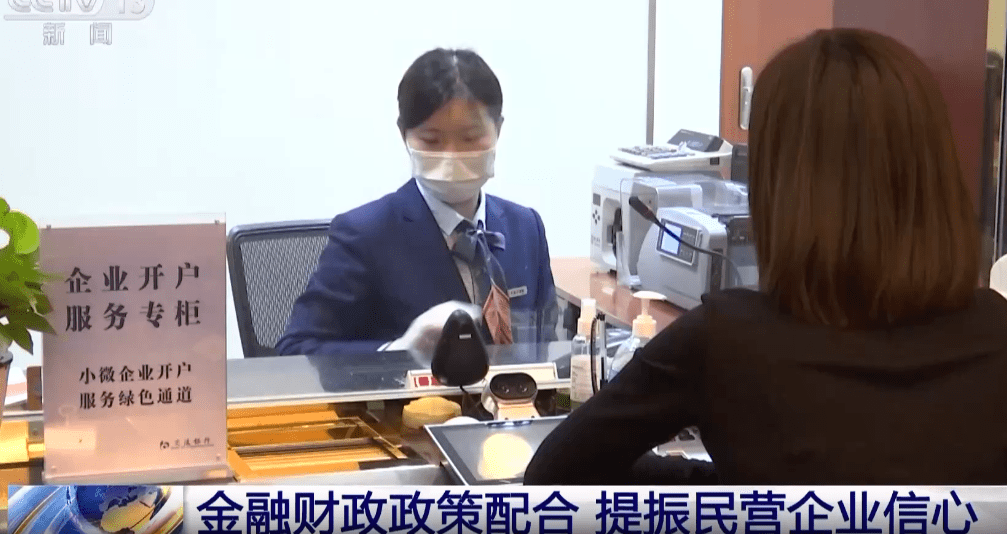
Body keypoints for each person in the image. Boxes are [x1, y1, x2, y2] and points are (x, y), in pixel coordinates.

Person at [524, 28, 1007, 485]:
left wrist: (734, 494)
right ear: (935, 177)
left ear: (781, 189)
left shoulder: (725, 341)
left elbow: (556, 473)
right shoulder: (996, 331)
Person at [277, 48, 558, 356]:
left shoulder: (525, 227)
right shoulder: (365, 235)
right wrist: (399, 350)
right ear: (405, 136)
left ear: (498, 129)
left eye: (470, 137)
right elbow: (296, 349)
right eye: (431, 140)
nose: (451, 155)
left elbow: (546, 342)